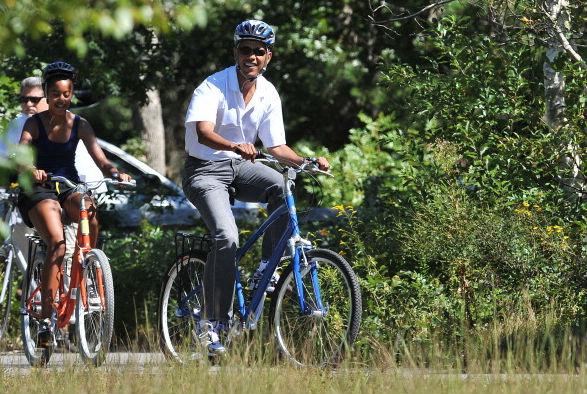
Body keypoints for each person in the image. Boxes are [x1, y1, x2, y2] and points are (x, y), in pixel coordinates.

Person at [182, 19, 330, 355]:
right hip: (204, 170)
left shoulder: (268, 92)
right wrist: (235, 146)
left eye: (258, 51)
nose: (251, 56)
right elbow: (203, 132)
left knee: (281, 187)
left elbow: (277, 148)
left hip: (243, 167)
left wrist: (308, 161)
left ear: (268, 57)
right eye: (245, 50)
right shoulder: (212, 87)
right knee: (227, 238)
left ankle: (267, 266)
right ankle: (211, 324)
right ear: (236, 52)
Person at [18, 61, 131, 346]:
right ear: (46, 93)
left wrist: (116, 173)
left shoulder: (79, 125)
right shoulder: (34, 124)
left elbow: (101, 160)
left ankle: (89, 265)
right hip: (39, 191)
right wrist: (31, 169)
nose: (61, 99)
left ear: (72, 95)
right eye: (55, 93)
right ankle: (46, 321)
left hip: (66, 188)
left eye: (66, 94)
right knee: (57, 242)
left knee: (88, 207)